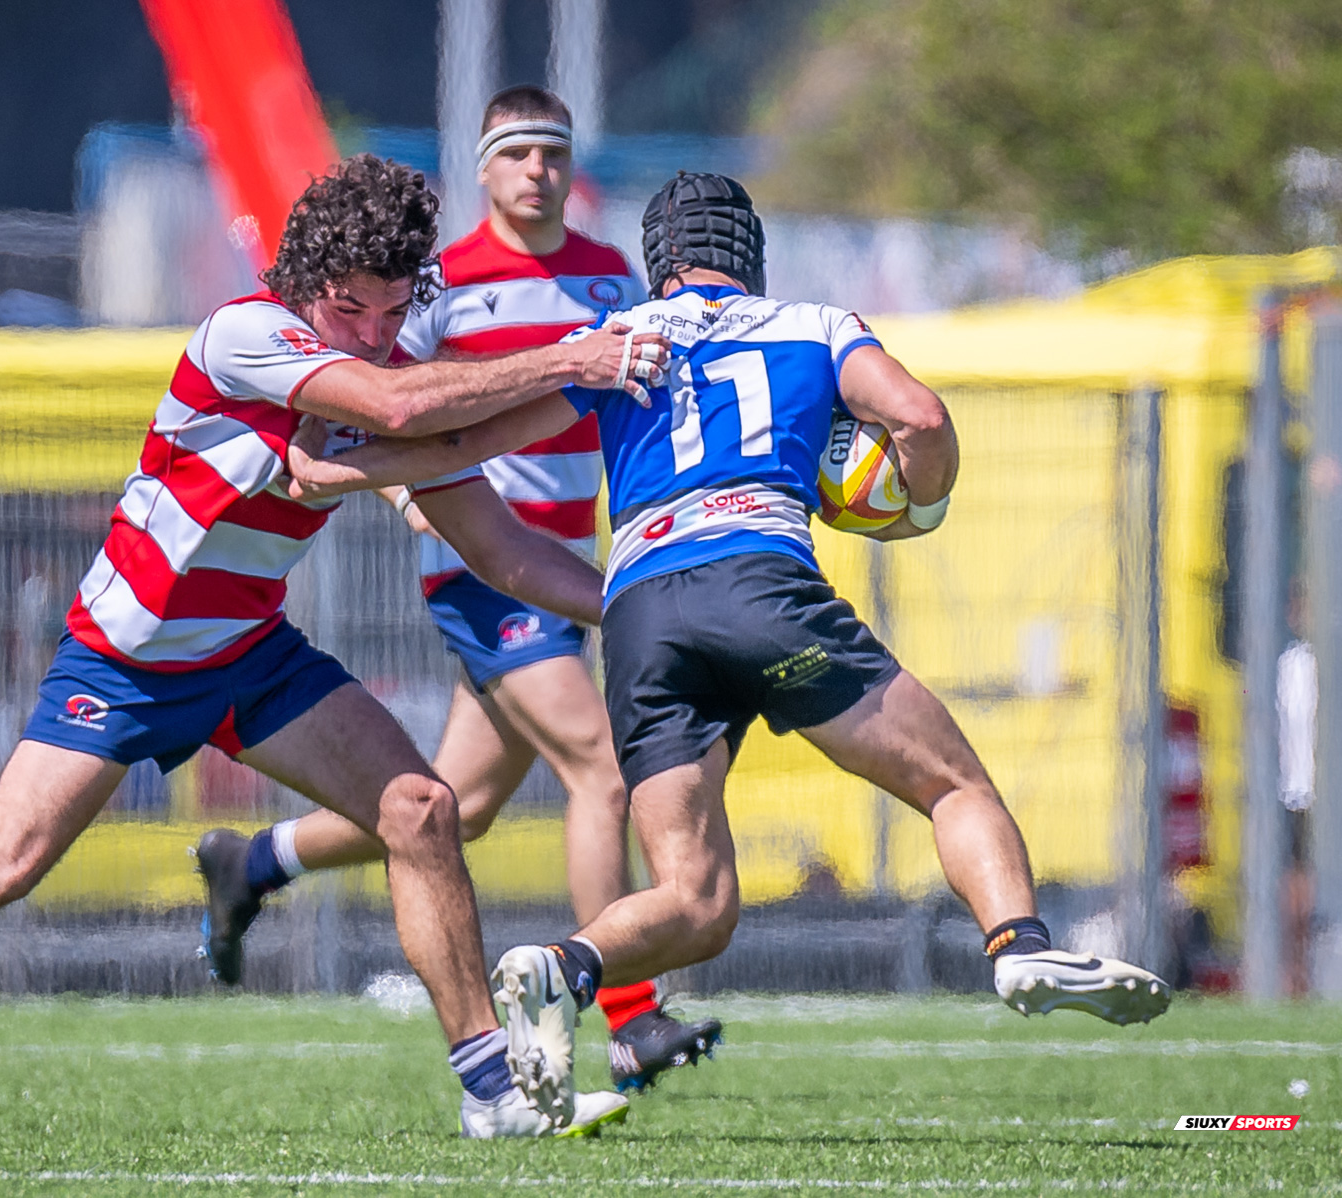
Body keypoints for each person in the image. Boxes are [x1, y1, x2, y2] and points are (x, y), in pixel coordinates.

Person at [0, 154, 672, 1139]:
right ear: (307, 281)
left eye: (392, 311)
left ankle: (490, 1090)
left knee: (422, 809)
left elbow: (505, 552)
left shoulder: (386, 371)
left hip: (248, 651)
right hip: (125, 662)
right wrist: (580, 360)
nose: (370, 333)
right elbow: (404, 414)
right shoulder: (247, 333)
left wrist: (637, 602)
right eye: (350, 308)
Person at [282, 171, 1173, 1127]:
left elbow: (472, 440)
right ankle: (1019, 942)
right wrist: (920, 502)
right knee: (952, 785)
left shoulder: (618, 345)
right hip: (760, 584)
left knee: (697, 898)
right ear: (751, 251)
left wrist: (338, 462)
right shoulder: (818, 327)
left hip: (639, 615)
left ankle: (560, 966)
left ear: (656, 258)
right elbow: (919, 418)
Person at [198, 85, 720, 1095]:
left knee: (451, 808)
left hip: (565, 556)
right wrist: (414, 506)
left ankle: (255, 861)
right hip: (486, 567)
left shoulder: (612, 276)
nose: (538, 170)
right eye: (517, 153)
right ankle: (626, 1016)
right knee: (604, 773)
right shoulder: (437, 287)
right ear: (483, 170)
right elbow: (386, 409)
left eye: (553, 153)